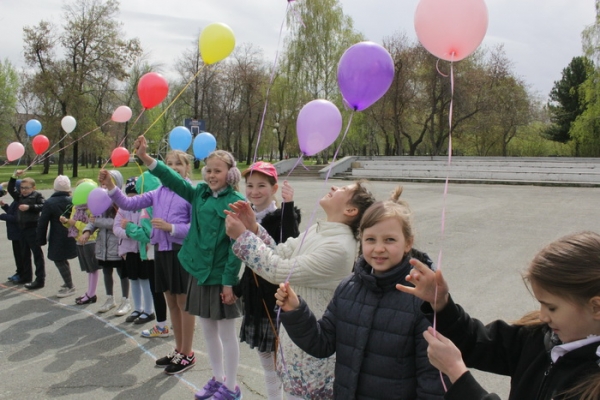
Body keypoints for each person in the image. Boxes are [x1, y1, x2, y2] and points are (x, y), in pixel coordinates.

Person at [273, 187, 446, 399]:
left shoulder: (420, 299)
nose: (379, 248)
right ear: (361, 240)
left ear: (408, 243)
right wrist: (296, 310)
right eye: (371, 239)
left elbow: (432, 378)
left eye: (389, 240)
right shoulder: (348, 289)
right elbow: (322, 343)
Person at [397, 231, 600, 400]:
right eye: (540, 304)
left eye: (552, 308)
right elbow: (478, 342)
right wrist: (440, 304)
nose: (543, 316)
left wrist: (458, 376)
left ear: (596, 308)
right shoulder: (540, 337)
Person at [225, 180, 376, 399]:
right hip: (296, 343)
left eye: (343, 189)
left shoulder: (340, 248)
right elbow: (281, 252)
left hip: (315, 353)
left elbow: (279, 270)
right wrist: (254, 228)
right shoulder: (320, 229)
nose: (334, 188)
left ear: (350, 210)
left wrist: (243, 237)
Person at [126, 135, 245, 398]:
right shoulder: (199, 193)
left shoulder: (233, 202)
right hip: (198, 273)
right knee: (208, 331)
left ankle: (232, 387)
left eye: (218, 171)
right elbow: (174, 180)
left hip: (219, 277)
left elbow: (234, 248)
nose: (212, 175)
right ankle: (217, 378)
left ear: (230, 173)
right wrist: (146, 158)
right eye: (209, 170)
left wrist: (228, 282)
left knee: (226, 334)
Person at [98, 146, 194, 376]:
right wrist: (111, 187)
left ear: (187, 168)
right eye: (168, 164)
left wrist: (173, 228)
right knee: (171, 302)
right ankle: (179, 350)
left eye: (178, 164)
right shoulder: (158, 192)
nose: (172, 168)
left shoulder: (192, 191)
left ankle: (188, 354)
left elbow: (197, 228)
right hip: (161, 251)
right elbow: (129, 203)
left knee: (184, 304)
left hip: (181, 252)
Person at [233, 161, 301, 400]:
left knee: (282, 359)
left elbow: (289, 245)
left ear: (274, 188)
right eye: (250, 185)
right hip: (254, 298)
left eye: (261, 185)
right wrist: (237, 288)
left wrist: (289, 204)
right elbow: (248, 262)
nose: (254, 191)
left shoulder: (282, 216)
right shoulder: (243, 215)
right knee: (266, 359)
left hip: (277, 297)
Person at [123, 172, 170, 338]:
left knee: (161, 291)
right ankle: (166, 324)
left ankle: (164, 325)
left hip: (156, 255)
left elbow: (149, 234)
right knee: (167, 292)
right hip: (154, 254)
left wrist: (129, 227)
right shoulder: (159, 202)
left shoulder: (150, 206)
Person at [84, 170, 130, 316]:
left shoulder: (121, 201)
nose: (104, 185)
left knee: (123, 273)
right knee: (106, 271)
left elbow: (117, 223)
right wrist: (87, 231)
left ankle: (126, 300)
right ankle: (110, 299)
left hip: (117, 243)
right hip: (103, 245)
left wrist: (97, 222)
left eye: (108, 182)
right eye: (102, 182)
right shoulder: (99, 198)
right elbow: (94, 218)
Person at [113, 177, 155, 324]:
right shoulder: (123, 208)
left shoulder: (145, 208)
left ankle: (149, 310)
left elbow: (145, 230)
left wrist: (131, 229)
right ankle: (137, 308)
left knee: (145, 279)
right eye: (129, 196)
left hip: (143, 250)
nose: (132, 199)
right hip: (129, 250)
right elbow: (117, 227)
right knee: (134, 279)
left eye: (135, 195)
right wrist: (129, 233)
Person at [36, 175, 77, 297]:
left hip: (58, 235)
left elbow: (43, 223)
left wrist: (40, 239)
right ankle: (67, 281)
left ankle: (70, 286)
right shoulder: (72, 200)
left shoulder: (50, 202)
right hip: (72, 233)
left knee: (58, 259)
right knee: (62, 259)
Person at [61, 179, 100, 305]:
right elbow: (72, 225)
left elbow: (90, 226)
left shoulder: (92, 207)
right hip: (79, 240)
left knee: (93, 269)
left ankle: (91, 293)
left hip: (90, 240)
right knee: (88, 269)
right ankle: (89, 292)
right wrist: (66, 222)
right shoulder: (76, 207)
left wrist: (74, 223)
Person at [8, 170, 45, 289]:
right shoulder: (19, 197)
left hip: (32, 228)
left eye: (26, 188)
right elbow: (10, 189)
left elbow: (43, 206)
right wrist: (14, 176)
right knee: (24, 254)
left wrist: (29, 207)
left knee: (37, 255)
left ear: (33, 188)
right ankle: (26, 276)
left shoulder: (37, 196)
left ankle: (40, 279)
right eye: (22, 188)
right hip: (22, 229)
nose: (23, 190)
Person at [0, 180, 23, 283]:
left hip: (19, 234)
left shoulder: (20, 202)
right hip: (14, 234)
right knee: (17, 255)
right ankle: (18, 272)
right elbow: (11, 212)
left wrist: (1, 216)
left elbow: (15, 218)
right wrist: (4, 206)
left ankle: (22, 274)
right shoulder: (16, 201)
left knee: (20, 255)